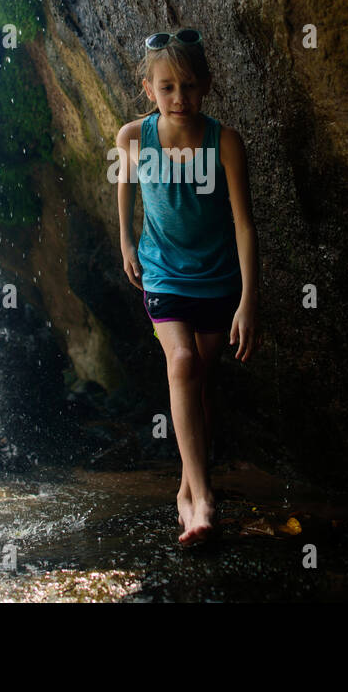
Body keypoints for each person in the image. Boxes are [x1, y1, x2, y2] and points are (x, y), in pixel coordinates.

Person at [114, 28, 260, 544]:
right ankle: (203, 499)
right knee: (181, 363)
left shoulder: (224, 142)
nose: (180, 98)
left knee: (201, 383)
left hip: (217, 279)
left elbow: (244, 223)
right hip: (162, 271)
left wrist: (248, 300)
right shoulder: (133, 137)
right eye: (168, 87)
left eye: (190, 86)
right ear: (148, 89)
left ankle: (184, 489)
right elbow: (125, 187)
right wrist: (128, 243)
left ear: (206, 87)